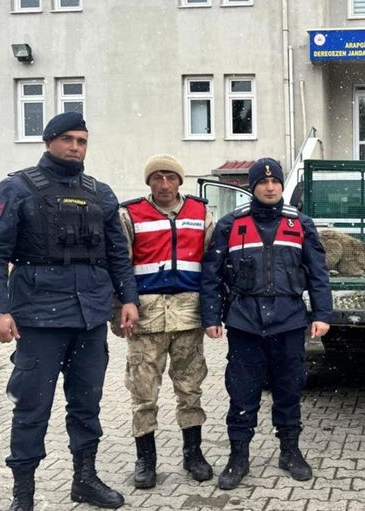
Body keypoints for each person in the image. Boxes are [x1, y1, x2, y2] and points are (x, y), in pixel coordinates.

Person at [0, 112, 139, 510]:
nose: (75, 147)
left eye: (82, 141)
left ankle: (85, 479)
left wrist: (128, 299)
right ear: (49, 141)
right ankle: (23, 495)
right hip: (39, 319)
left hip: (89, 318)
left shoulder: (100, 193)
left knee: (87, 404)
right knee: (32, 407)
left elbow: (118, 255)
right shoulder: (16, 188)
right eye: (67, 139)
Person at [200, 157, 332, 490]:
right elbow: (211, 275)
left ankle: (290, 452)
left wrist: (322, 314)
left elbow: (318, 273)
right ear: (253, 186)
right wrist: (211, 316)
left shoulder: (300, 224)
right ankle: (238, 457)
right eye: (263, 182)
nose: (270, 188)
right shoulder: (231, 225)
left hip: (288, 322)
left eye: (275, 182)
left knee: (289, 390)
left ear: (281, 185)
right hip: (244, 323)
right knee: (242, 392)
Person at [116, 154, 215, 489]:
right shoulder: (130, 214)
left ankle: (193, 453)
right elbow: (119, 266)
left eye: (170, 177)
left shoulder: (200, 213)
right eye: (157, 177)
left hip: (189, 315)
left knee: (190, 389)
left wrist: (213, 312)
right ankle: (146, 459)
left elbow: (212, 266)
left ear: (180, 181)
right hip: (145, 318)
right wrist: (119, 310)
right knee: (143, 393)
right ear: (149, 182)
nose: (164, 184)